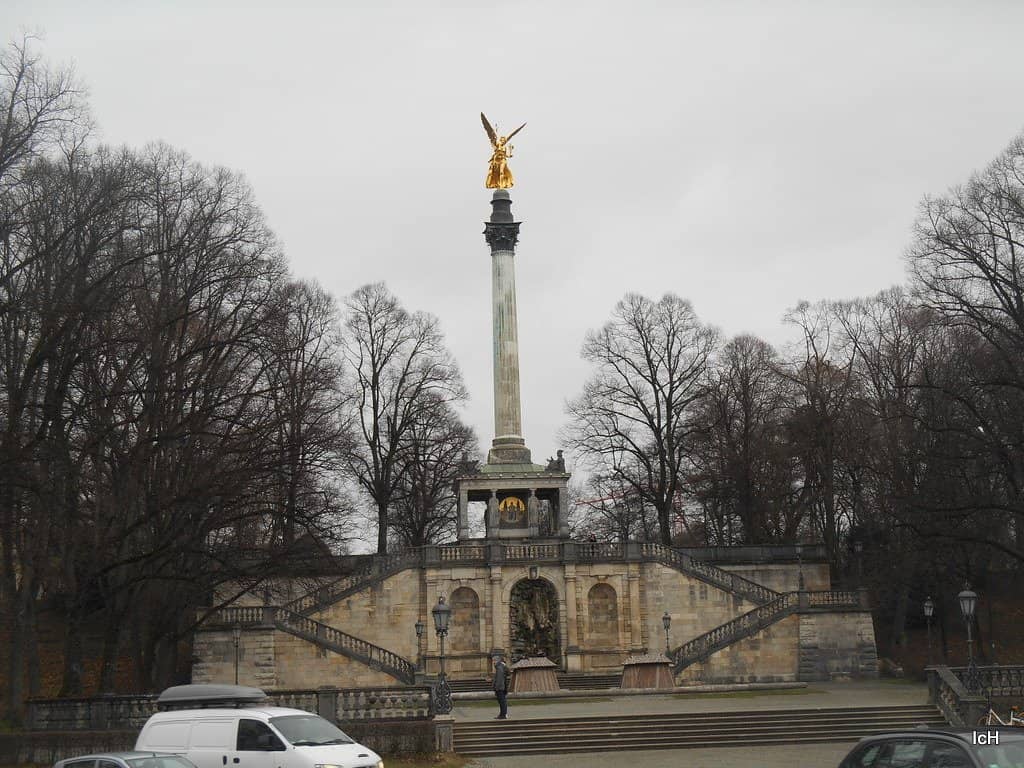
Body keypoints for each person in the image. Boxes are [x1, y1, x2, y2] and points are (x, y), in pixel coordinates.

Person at [492, 655, 510, 719]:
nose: (493, 662)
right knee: (502, 701)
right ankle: (503, 714)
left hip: (500, 687)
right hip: (502, 687)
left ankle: (503, 715)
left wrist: (496, 688)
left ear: (497, 660)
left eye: (494, 661)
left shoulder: (499, 667)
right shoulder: (501, 666)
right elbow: (508, 673)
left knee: (502, 702)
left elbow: (499, 679)